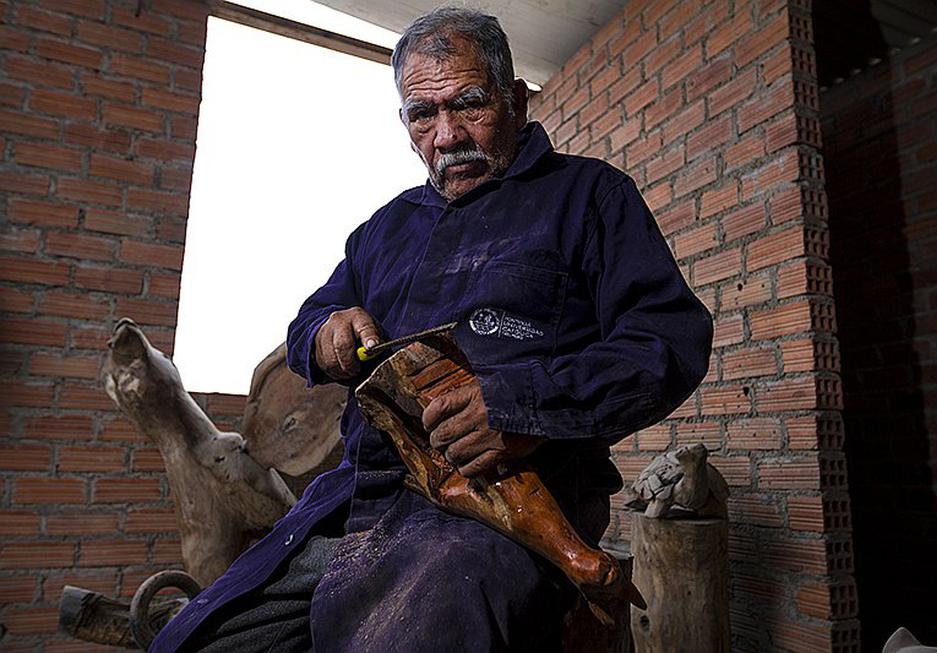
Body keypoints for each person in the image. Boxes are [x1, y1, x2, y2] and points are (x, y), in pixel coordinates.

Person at [150, 7, 712, 652]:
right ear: (405, 124)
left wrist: (519, 408)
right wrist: (327, 334)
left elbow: (667, 341)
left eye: (468, 106)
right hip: (354, 501)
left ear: (516, 102)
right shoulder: (382, 230)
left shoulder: (590, 196)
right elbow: (306, 326)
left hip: (508, 510)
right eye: (423, 114)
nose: (445, 135)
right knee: (194, 641)